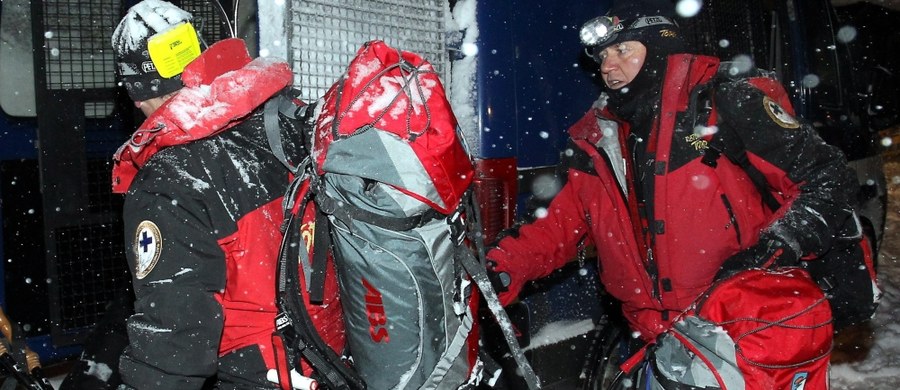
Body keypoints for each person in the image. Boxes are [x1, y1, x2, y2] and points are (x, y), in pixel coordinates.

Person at [487, 0, 856, 375]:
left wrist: (775, 249)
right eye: (601, 56)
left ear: (660, 46)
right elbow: (561, 225)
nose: (608, 66)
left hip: (745, 334)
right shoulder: (596, 139)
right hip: (659, 340)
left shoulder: (723, 102)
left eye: (622, 50)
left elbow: (827, 177)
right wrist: (502, 267)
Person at [107, 1, 344, 388]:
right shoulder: (283, 119)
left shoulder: (170, 178)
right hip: (328, 354)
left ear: (136, 94)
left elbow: (175, 340)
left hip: (259, 374)